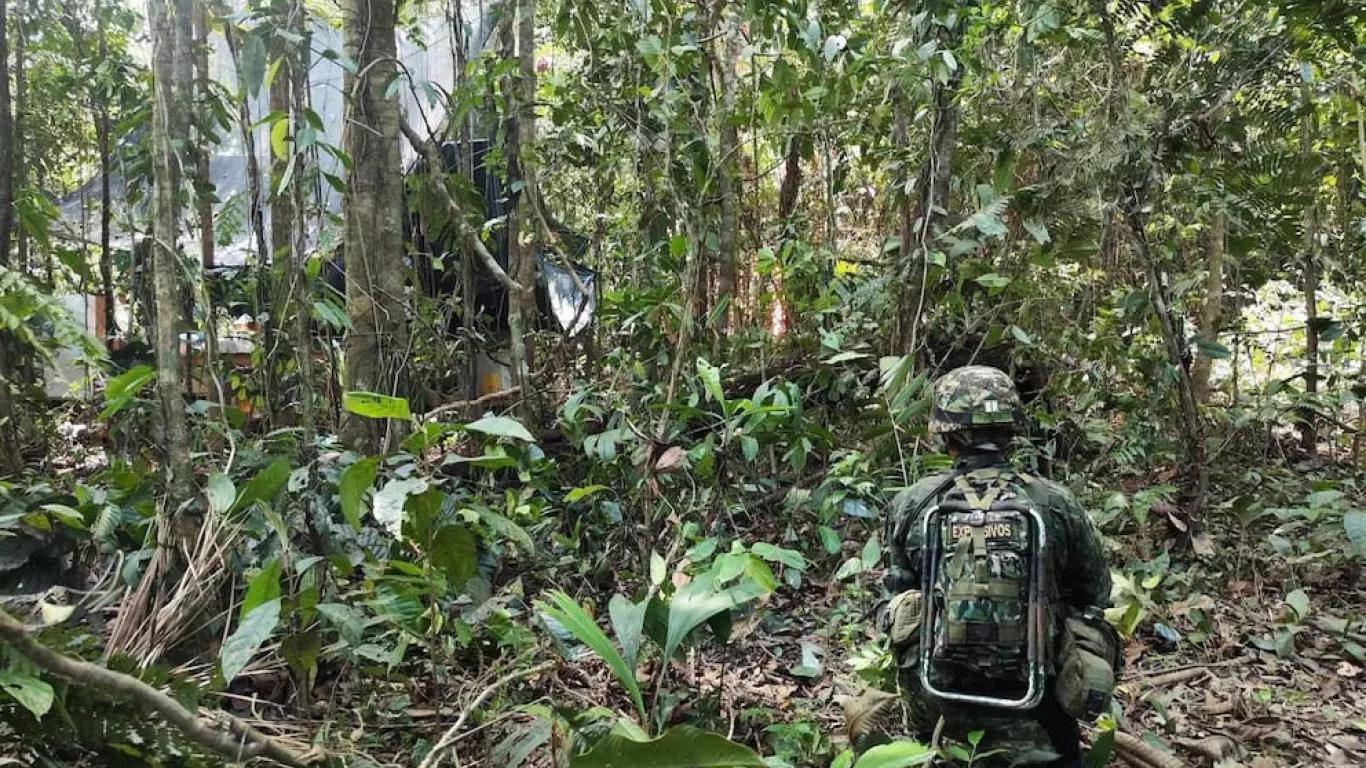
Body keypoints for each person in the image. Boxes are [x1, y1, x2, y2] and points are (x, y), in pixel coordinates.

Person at [879, 366, 1116, 767]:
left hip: (939, 715)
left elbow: (894, 596)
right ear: (1011, 429)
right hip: (1039, 721)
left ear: (945, 433)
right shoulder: (1054, 502)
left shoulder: (913, 503)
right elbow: (1094, 593)